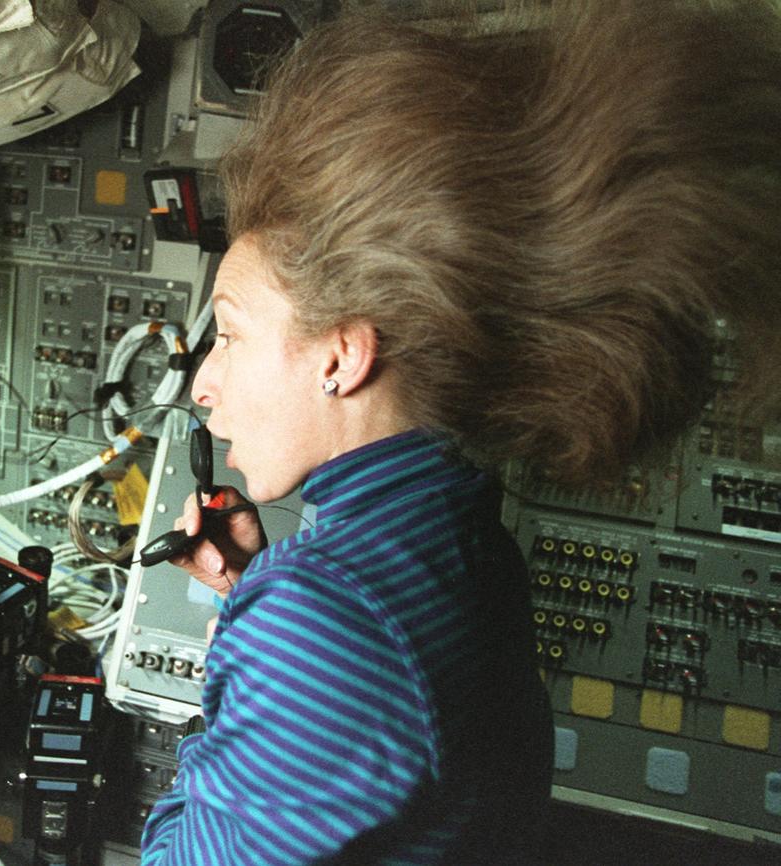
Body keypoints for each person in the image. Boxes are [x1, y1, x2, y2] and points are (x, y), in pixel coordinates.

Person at [139, 1, 781, 864]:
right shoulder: (466, 540)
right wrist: (248, 589)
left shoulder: (322, 617)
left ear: (341, 356)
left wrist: (264, 636)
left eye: (230, 332)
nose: (204, 382)